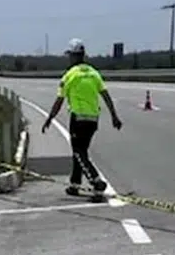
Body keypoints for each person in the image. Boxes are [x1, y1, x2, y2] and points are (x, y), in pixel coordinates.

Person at [41, 38, 122, 198]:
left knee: (79, 152)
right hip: (93, 119)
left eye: (70, 55)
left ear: (73, 56)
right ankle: (75, 184)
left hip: (78, 119)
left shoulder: (70, 75)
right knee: (80, 151)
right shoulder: (94, 73)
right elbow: (106, 95)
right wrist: (114, 116)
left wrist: (50, 118)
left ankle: (96, 181)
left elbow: (59, 100)